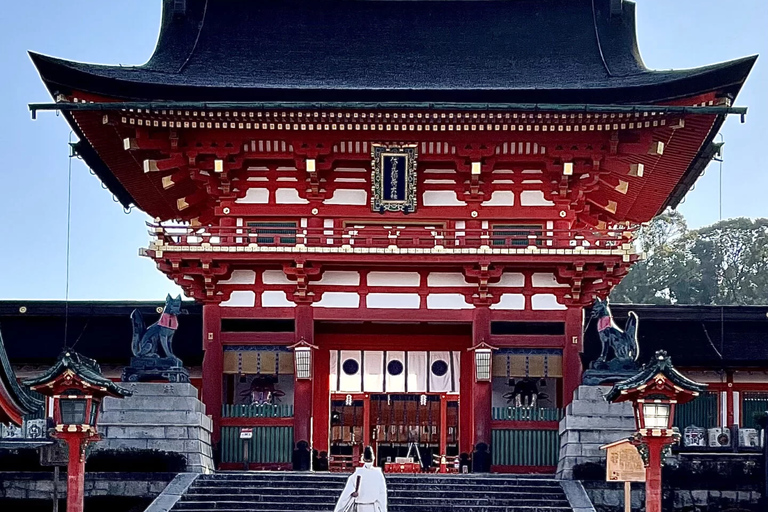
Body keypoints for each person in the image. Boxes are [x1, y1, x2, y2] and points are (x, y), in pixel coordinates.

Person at [333, 446, 387, 512]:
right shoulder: (378, 474)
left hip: (360, 507)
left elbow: (346, 494)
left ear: (363, 459)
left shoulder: (357, 473)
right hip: (374, 507)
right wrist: (383, 509)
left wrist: (338, 509)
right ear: (373, 458)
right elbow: (382, 495)